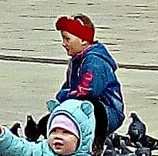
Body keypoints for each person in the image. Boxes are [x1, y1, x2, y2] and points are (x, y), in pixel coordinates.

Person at [53, 14, 125, 147]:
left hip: (107, 112)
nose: (64, 43)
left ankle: (95, 144)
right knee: (50, 121)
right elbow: (68, 86)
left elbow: (87, 91)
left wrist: (63, 96)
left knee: (89, 105)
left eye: (67, 39)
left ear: (83, 40)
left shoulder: (94, 62)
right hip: (83, 107)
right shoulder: (77, 60)